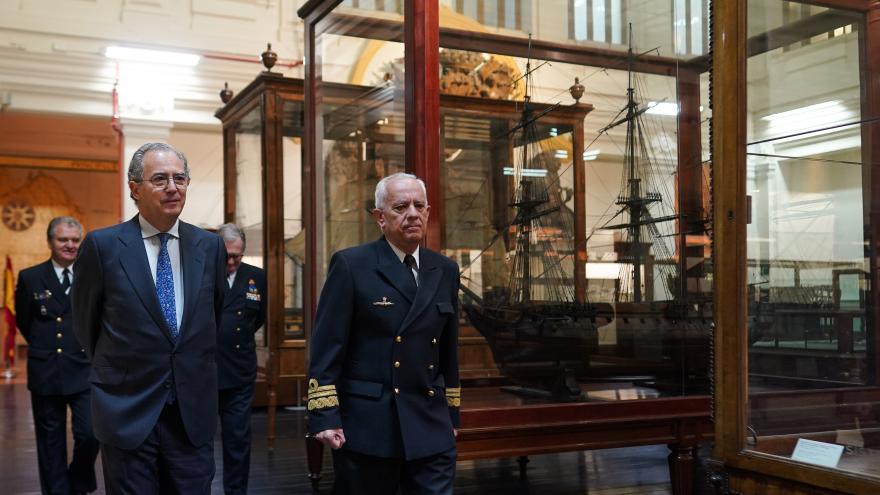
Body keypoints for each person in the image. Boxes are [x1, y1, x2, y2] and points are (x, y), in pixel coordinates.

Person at [72, 142, 227, 494]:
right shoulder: (103, 246)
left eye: (180, 178)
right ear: (135, 189)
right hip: (127, 410)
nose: (172, 187)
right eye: (160, 179)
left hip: (191, 414)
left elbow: (211, 317)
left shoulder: (210, 247)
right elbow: (86, 325)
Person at [308, 172, 461, 495]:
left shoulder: (444, 269)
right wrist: (324, 416)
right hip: (369, 425)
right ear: (380, 217)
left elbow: (448, 351)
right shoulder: (353, 265)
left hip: (429, 422)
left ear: (429, 212)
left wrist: (452, 416)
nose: (413, 214)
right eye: (401, 206)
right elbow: (327, 347)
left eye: (419, 206)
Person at [15, 216, 100, 495]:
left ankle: (78, 478)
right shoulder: (30, 277)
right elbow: (25, 321)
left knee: (90, 434)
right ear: (50, 241)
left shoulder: (93, 276)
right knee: (50, 442)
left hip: (84, 369)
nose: (70, 245)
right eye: (63, 239)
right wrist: (44, 347)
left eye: (75, 240)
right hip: (46, 370)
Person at [215, 223, 265, 495]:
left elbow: (259, 317)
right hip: (206, 373)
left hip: (239, 372)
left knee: (238, 440)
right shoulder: (203, 273)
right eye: (227, 256)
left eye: (238, 255)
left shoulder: (256, 277)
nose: (232, 262)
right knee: (197, 442)